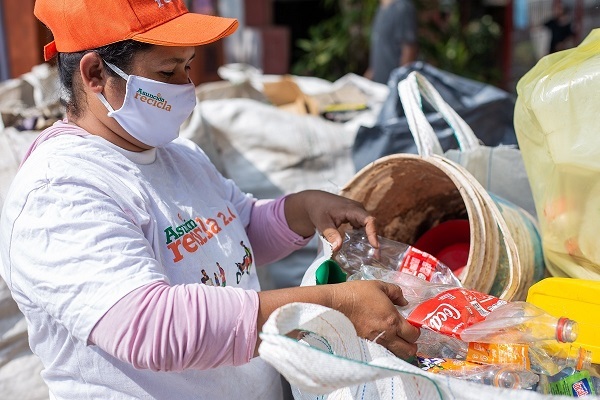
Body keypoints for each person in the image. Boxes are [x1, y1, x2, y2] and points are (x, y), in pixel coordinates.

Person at [0, 1, 420, 399]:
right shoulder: (61, 192)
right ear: (94, 75)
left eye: (187, 66)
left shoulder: (177, 156)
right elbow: (153, 328)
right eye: (167, 72)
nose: (187, 86)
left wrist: (303, 209)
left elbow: (235, 233)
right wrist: (332, 307)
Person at [365, 0, 418, 84]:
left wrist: (399, 83)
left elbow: (409, 50)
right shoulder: (381, 8)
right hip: (380, 84)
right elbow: (380, 48)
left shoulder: (402, 7)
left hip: (393, 85)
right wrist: (366, 79)